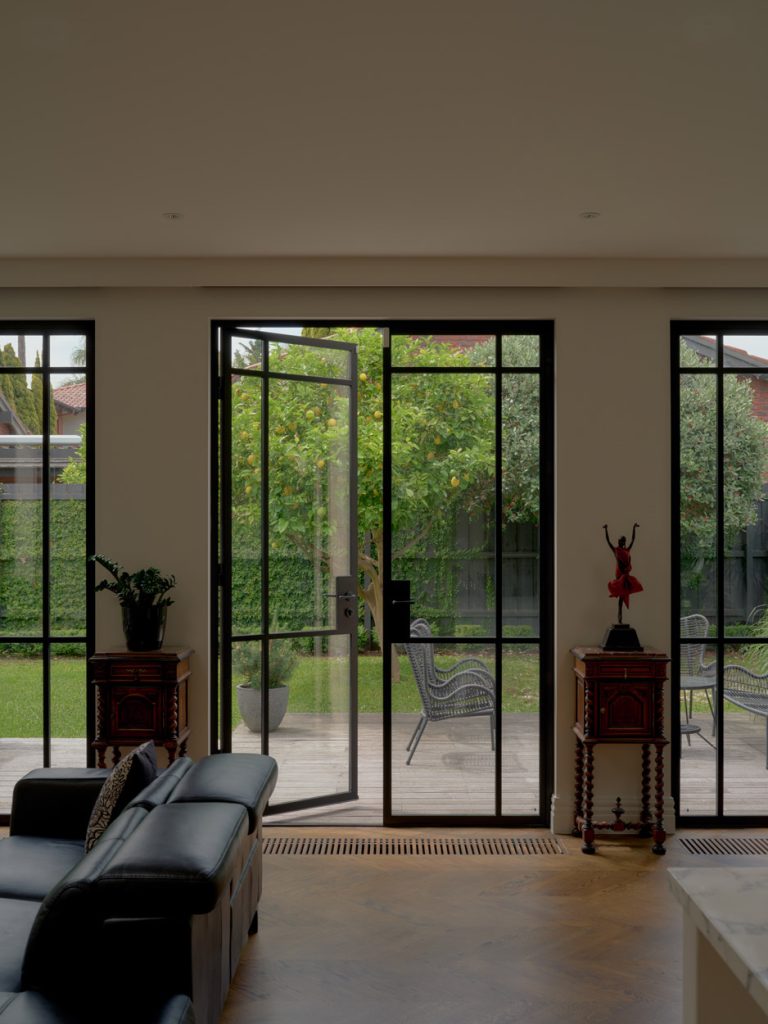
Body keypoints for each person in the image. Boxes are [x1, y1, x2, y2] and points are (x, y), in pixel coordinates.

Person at [603, 523, 642, 624]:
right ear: (618, 541)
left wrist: (633, 527)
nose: (621, 541)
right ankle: (619, 619)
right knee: (620, 600)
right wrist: (606, 529)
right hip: (620, 577)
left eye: (623, 541)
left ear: (624, 542)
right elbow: (608, 541)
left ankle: (620, 619)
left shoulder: (627, 550)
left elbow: (633, 539)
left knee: (621, 599)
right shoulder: (616, 550)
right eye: (620, 540)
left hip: (626, 577)